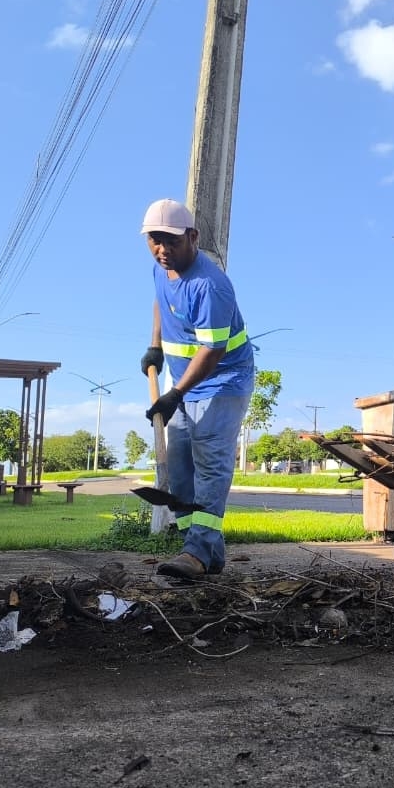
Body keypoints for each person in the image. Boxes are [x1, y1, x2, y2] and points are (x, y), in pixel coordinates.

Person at [139, 198, 254, 580]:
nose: (162, 249)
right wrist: (155, 345)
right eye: (155, 240)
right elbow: (160, 300)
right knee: (180, 470)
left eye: (171, 241)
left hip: (222, 383)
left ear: (193, 237)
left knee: (210, 468)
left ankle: (198, 552)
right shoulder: (161, 269)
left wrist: (173, 394)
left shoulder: (209, 285)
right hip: (186, 385)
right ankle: (204, 552)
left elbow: (212, 351)